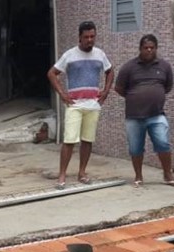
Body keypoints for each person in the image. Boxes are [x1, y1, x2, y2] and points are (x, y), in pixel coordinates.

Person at [47, 21, 113, 189]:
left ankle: (82, 172)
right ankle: (62, 175)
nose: (90, 40)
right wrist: (62, 94)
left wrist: (106, 91)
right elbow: (52, 73)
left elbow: (110, 71)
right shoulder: (70, 55)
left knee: (87, 140)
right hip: (74, 105)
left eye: (92, 36)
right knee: (69, 140)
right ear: (79, 37)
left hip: (93, 105)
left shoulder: (100, 54)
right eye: (86, 37)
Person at [115, 34, 174, 188]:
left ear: (156, 48)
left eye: (152, 48)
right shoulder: (129, 67)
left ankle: (168, 175)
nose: (149, 50)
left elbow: (168, 87)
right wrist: (134, 97)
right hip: (134, 116)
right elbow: (119, 88)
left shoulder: (164, 66)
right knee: (135, 148)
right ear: (140, 49)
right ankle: (138, 176)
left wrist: (154, 95)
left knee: (163, 143)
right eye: (146, 48)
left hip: (156, 115)